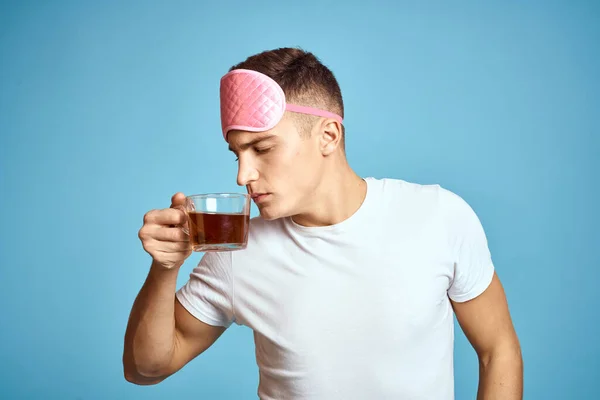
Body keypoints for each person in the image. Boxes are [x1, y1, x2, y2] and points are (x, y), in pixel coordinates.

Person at [123, 47, 523, 399]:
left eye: (261, 148)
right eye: (237, 154)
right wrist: (165, 268)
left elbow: (498, 348)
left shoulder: (439, 216)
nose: (242, 175)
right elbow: (145, 369)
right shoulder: (237, 249)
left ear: (328, 136)